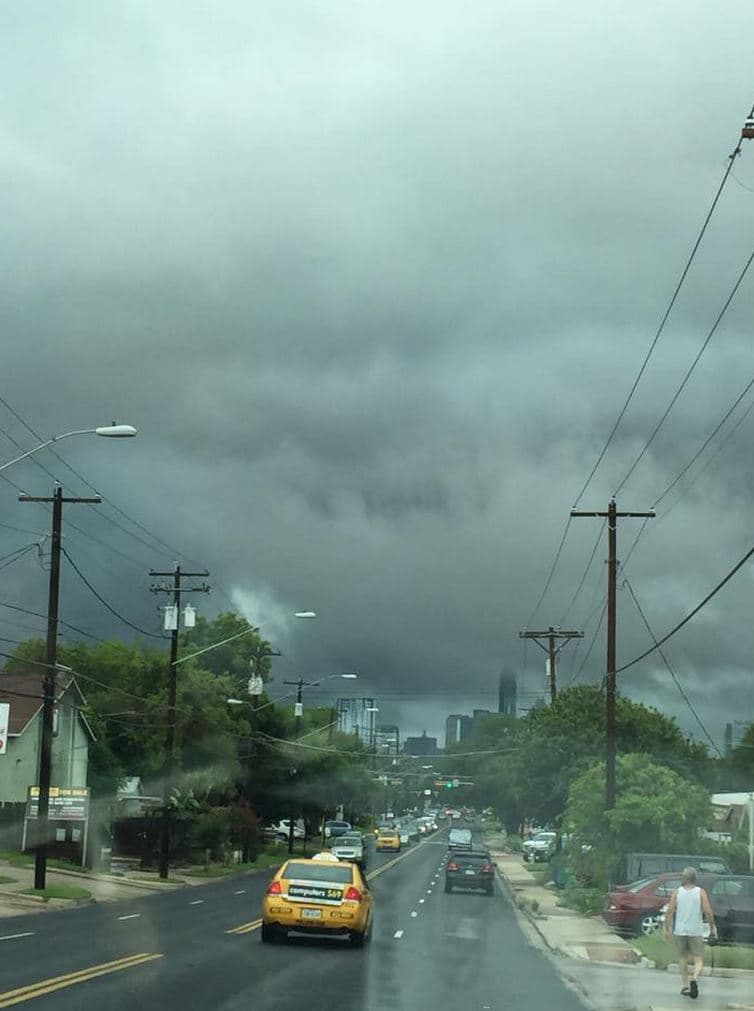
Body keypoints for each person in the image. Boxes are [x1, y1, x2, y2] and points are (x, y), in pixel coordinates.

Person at [663, 867, 717, 999]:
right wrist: (712, 927)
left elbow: (670, 911)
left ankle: (686, 985)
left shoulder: (677, 892)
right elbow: (708, 912)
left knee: (682, 958)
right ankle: (694, 977)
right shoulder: (700, 892)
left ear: (684, 878)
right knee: (698, 958)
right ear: (694, 878)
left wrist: (666, 928)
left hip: (680, 930)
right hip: (695, 930)